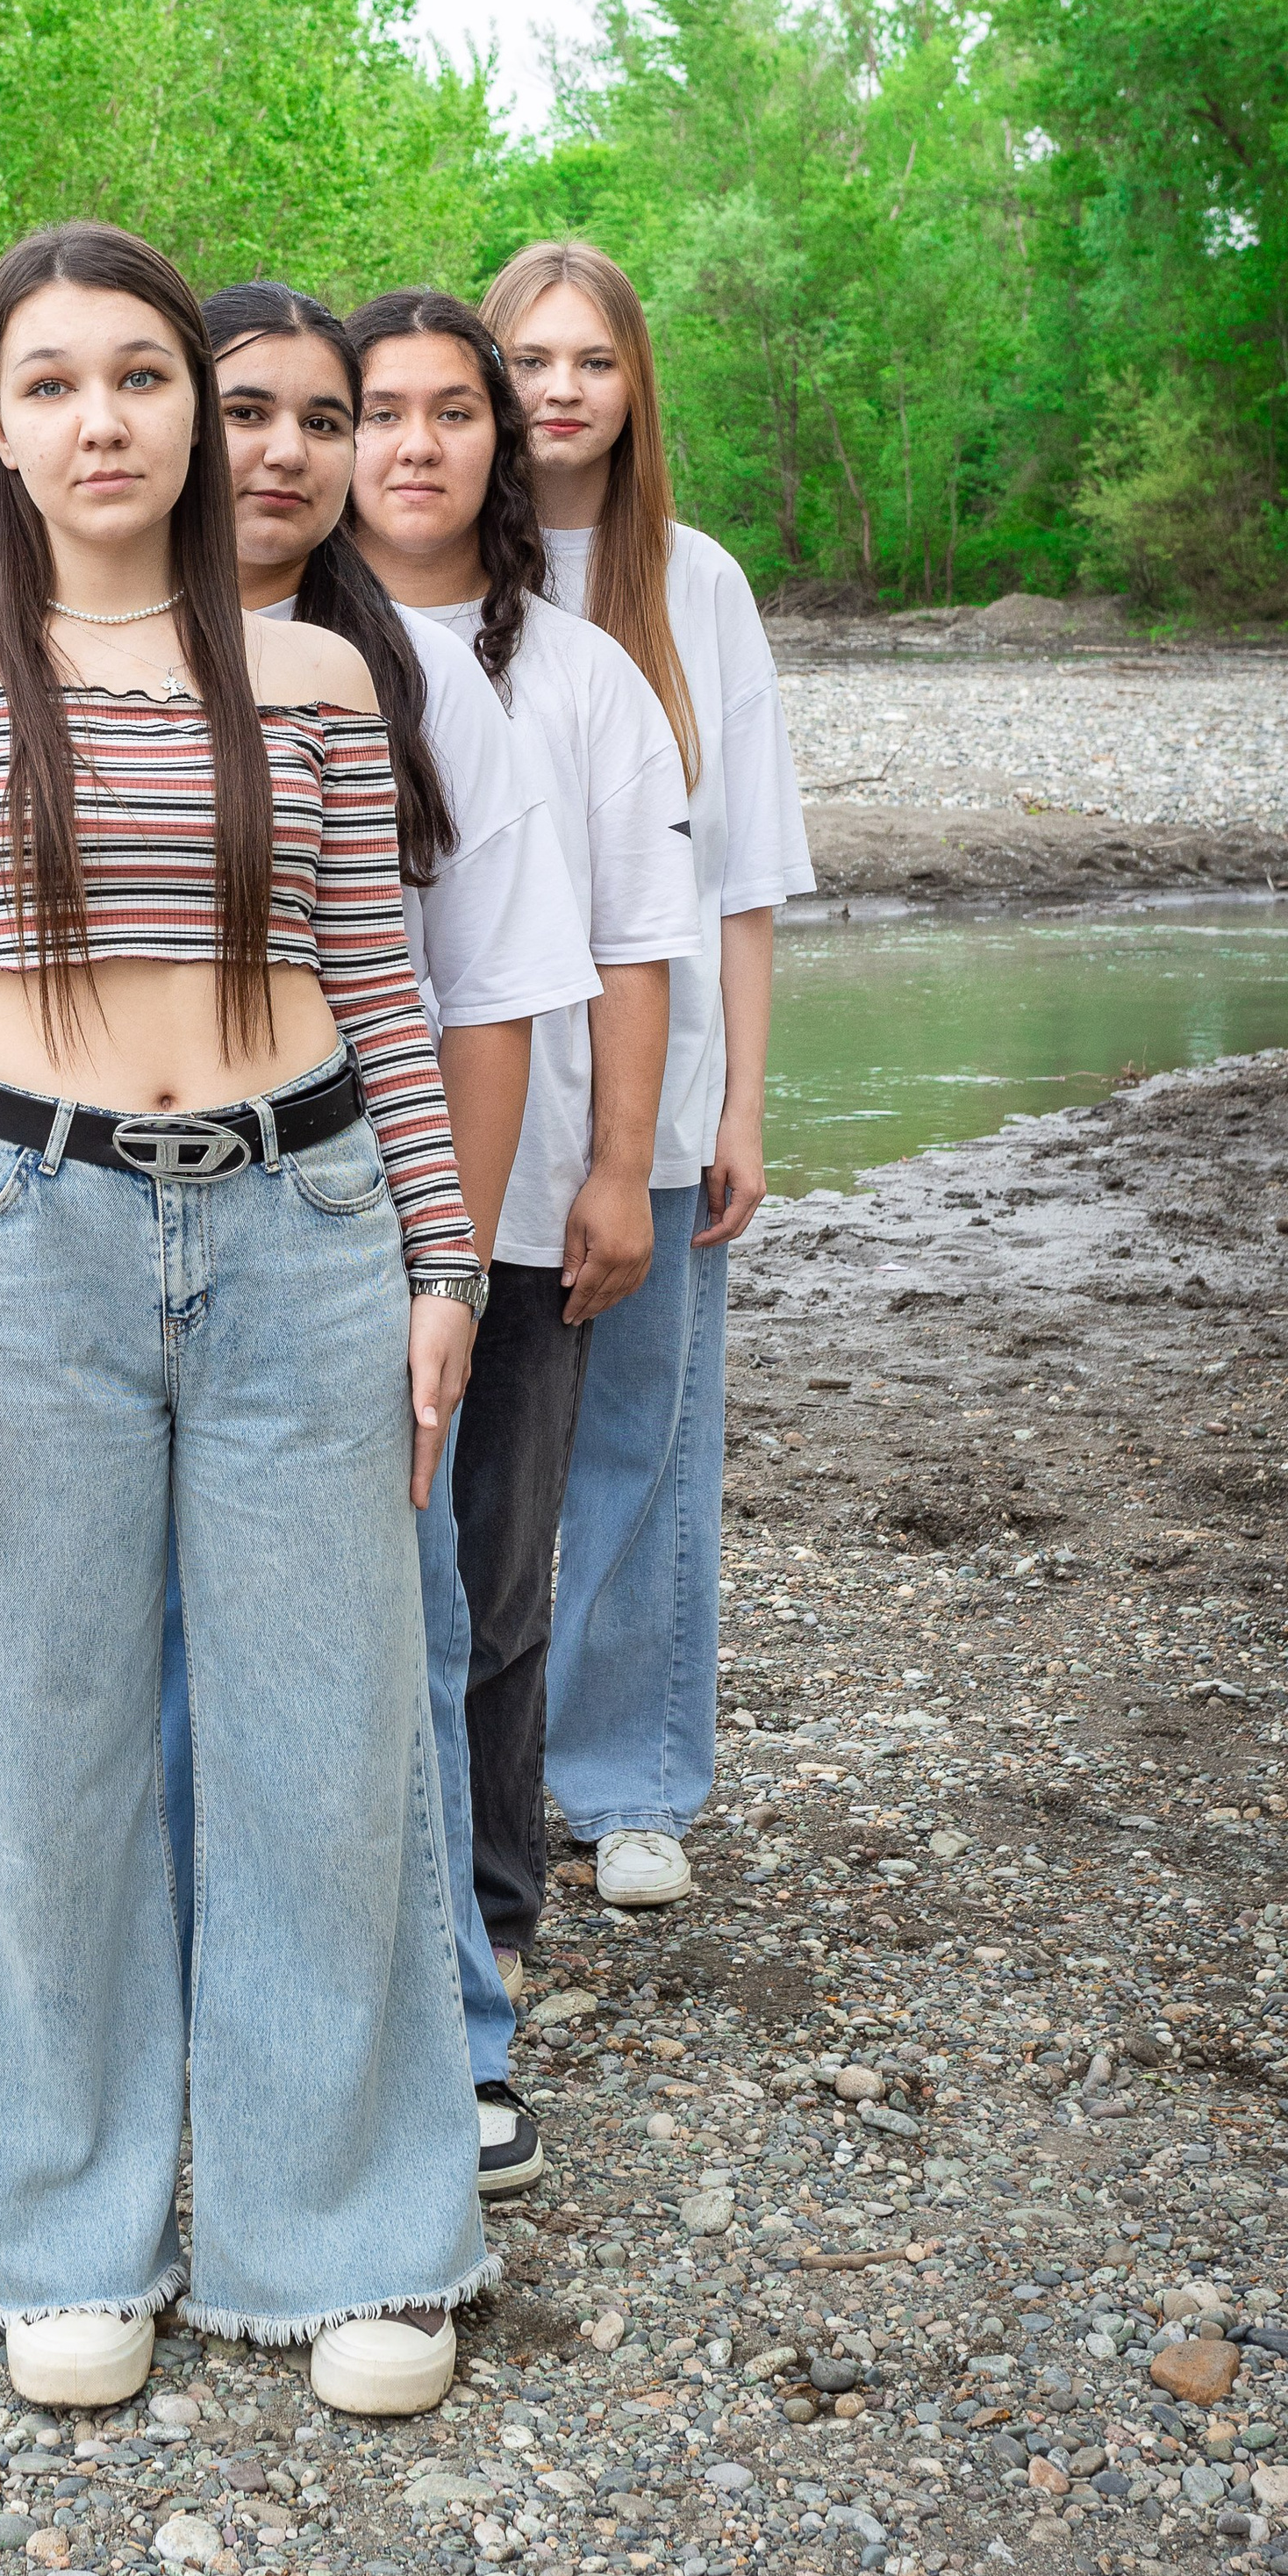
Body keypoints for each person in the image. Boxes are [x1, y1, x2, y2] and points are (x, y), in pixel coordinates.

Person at [0, 221, 490, 2421]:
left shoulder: (306, 676)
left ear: (194, 418)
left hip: (301, 1225)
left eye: (140, 376)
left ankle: (348, 2239)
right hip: (21, 1238)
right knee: (39, 1752)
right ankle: (61, 2233)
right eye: (52, 383)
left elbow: (383, 993)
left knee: (332, 1738)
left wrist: (436, 1257)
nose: (103, 418)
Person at [157, 277, 600, 2199]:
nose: (280, 453)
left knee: (402, 1650)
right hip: (122, 1243)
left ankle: (450, 2037)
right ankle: (194, 2035)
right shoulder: (85, 661)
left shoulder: (424, 691)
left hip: (368, 1235)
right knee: (161, 1665)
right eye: (241, 409)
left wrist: (458, 1271)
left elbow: (484, 1006)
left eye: (314, 420)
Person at [344, 288, 701, 1988]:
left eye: (448, 411)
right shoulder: (271, 654)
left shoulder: (580, 676)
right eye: (374, 409)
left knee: (492, 1587)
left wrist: (616, 1169)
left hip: (518, 1203)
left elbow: (638, 939)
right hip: (311, 1206)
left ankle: (481, 1935)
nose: (411, 444)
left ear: (497, 442)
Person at [482, 240, 814, 1909]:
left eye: (591, 361)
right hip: (466, 1093)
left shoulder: (698, 585)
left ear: (635, 385)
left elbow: (741, 874)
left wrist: (743, 1098)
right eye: (529, 358)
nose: (558, 389)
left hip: (652, 1089)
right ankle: (469, 1775)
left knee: (642, 1442)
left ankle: (626, 1783)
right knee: (464, 1446)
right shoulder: (408, 562)